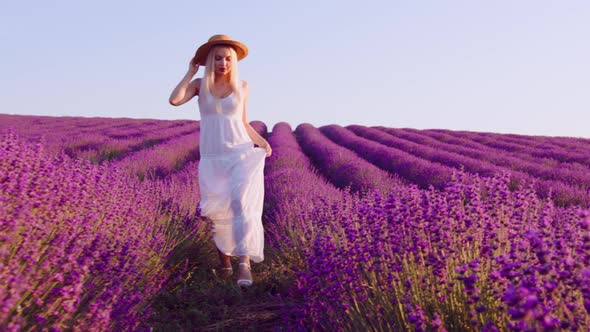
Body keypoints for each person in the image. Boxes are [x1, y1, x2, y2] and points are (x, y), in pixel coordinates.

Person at [169, 34, 272, 287]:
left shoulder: (243, 86)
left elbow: (243, 122)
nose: (223, 63)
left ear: (233, 61)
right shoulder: (198, 85)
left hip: (240, 152)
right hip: (213, 158)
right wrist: (189, 71)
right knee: (217, 210)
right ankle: (224, 264)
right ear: (209, 61)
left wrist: (263, 141)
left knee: (242, 206)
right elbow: (174, 100)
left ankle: (244, 264)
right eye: (217, 58)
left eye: (227, 58)